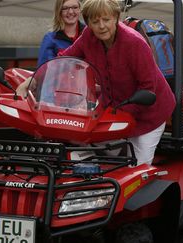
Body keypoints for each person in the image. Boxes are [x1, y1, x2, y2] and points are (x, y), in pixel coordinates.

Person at [58, 0, 174, 165]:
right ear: (88, 22)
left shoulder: (135, 43)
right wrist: (31, 81)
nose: (101, 26)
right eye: (95, 21)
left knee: (138, 167)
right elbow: (66, 58)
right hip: (114, 108)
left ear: (116, 18)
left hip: (148, 113)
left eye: (106, 19)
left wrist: (117, 116)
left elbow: (148, 88)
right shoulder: (88, 36)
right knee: (85, 144)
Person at [36, 0, 85, 67]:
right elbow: (44, 69)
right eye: (65, 8)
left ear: (80, 10)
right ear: (59, 11)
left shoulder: (89, 33)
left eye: (75, 7)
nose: (70, 12)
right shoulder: (50, 38)